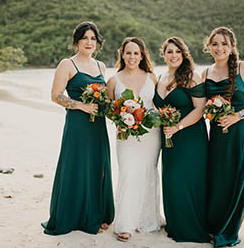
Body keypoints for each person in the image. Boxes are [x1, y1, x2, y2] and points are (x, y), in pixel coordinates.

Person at [41, 21, 114, 235]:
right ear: (77, 41)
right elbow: (55, 96)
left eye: (93, 38)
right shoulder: (67, 64)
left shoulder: (101, 66)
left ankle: (96, 214)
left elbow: (106, 98)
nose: (89, 42)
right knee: (76, 167)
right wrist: (81, 106)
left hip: (98, 125)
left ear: (98, 42)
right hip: (77, 125)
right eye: (85, 38)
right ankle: (72, 216)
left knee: (97, 166)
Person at [202, 27, 244, 247]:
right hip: (218, 135)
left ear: (231, 47)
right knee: (218, 179)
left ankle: (228, 229)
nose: (219, 48)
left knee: (237, 180)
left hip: (241, 132)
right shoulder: (206, 72)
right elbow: (200, 106)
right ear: (209, 46)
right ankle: (212, 225)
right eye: (215, 44)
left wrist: (237, 116)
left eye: (224, 44)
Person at [153, 37, 210, 243]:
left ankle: (190, 227)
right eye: (169, 51)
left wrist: (178, 126)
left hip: (190, 135)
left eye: (178, 51)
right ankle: (175, 224)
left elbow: (200, 109)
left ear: (184, 54)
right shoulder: (160, 77)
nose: (174, 55)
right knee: (171, 178)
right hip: (168, 136)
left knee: (186, 179)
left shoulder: (191, 76)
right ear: (164, 54)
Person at [106, 37, 161, 242]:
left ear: (142, 55)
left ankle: (146, 220)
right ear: (122, 54)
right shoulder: (114, 80)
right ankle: (126, 224)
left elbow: (157, 105)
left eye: (136, 53)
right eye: (128, 53)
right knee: (129, 172)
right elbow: (109, 109)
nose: (132, 57)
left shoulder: (152, 78)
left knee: (148, 173)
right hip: (125, 135)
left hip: (151, 135)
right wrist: (119, 121)